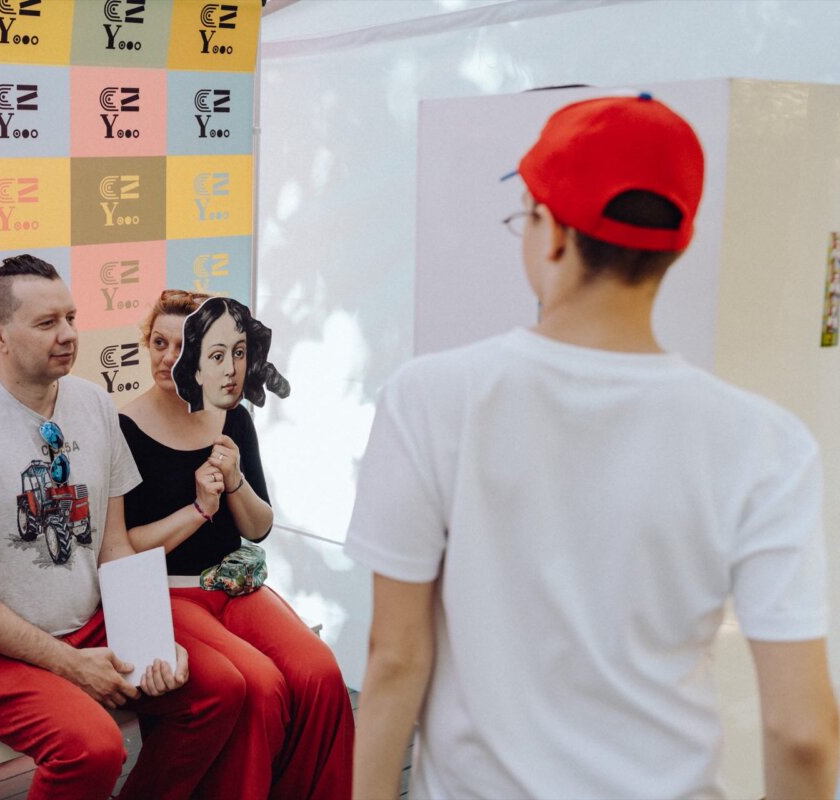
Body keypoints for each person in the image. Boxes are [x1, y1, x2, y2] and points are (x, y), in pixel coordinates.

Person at [347, 94, 838, 799]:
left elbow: (394, 659)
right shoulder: (767, 444)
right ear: (678, 243)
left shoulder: (431, 397)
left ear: (550, 234)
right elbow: (804, 731)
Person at [0, 256, 246, 800]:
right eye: (46, 324)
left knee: (220, 689)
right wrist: (70, 665)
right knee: (94, 746)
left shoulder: (92, 405)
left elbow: (114, 546)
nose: (67, 335)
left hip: (87, 627)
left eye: (71, 317)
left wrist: (152, 637)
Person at [119, 289, 354, 800]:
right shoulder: (124, 428)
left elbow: (259, 527)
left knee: (319, 672)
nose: (167, 357)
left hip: (236, 586)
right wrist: (198, 509)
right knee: (259, 686)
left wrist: (234, 481)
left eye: (182, 346)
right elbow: (127, 546)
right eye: (158, 342)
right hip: (168, 592)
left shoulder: (234, 419)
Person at [171, 295, 290, 412]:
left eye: (239, 353)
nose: (231, 369)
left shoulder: (245, 422)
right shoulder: (177, 426)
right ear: (197, 371)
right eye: (217, 356)